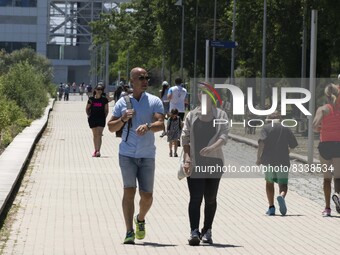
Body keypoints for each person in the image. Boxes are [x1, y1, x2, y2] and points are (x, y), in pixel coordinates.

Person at [107, 67, 164, 244]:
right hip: (127, 154)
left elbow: (161, 124)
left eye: (147, 77)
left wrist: (148, 127)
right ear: (132, 80)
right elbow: (110, 127)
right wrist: (123, 119)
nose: (145, 80)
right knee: (129, 191)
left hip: (147, 155)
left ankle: (140, 219)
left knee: (147, 196)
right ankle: (129, 232)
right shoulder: (122, 103)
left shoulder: (154, 101)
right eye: (141, 77)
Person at [181, 88, 229, 246]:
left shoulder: (221, 115)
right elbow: (185, 138)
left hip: (214, 161)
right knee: (195, 197)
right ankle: (194, 231)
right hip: (195, 163)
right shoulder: (192, 115)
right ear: (199, 96)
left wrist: (211, 148)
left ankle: (207, 230)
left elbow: (223, 136)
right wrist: (187, 159)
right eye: (202, 94)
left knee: (210, 198)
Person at [256, 111, 298, 216]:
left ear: (269, 119)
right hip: (283, 160)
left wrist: (258, 158)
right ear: (280, 118)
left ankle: (271, 208)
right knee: (283, 184)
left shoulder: (266, 128)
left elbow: (261, 143)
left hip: (268, 160)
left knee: (269, 182)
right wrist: (288, 151)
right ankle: (282, 196)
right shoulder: (286, 128)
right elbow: (293, 144)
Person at [313, 83, 340, 216]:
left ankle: (327, 208)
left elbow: (314, 126)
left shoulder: (323, 109)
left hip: (325, 146)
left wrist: (321, 129)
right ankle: (337, 194)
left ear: (326, 95)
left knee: (327, 178)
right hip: (339, 145)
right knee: (338, 177)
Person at [85, 84, 109, 157]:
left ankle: (98, 150)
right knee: (95, 134)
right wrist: (89, 115)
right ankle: (95, 149)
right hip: (92, 118)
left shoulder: (104, 99)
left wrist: (105, 117)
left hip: (101, 118)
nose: (99, 91)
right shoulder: (91, 99)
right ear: (95, 90)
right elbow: (87, 108)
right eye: (98, 89)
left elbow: (106, 110)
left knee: (99, 134)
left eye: (101, 89)